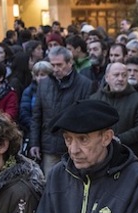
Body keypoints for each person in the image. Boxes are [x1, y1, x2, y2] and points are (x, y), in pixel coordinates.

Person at [29, 46, 92, 174]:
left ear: (70, 63)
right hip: (49, 146)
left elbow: (86, 118)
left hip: (75, 147)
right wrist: (34, 143)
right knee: (51, 184)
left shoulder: (85, 85)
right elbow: (37, 116)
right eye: (53, 65)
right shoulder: (44, 84)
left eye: (59, 65)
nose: (56, 69)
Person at [89, 62, 138, 158]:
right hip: (99, 155)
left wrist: (118, 139)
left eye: (124, 75)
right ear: (107, 77)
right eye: (116, 75)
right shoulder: (94, 100)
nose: (120, 79)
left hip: (127, 155)